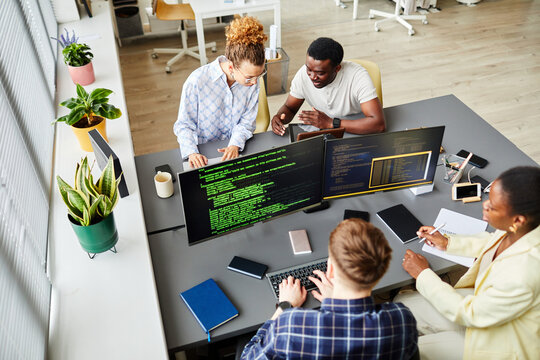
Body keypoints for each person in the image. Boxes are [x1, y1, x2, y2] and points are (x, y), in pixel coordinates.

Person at [398, 166, 540, 359]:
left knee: (409, 348)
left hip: (498, 342)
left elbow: (469, 312)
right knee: (401, 305)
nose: (485, 205)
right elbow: (492, 240)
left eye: (493, 206)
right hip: (487, 307)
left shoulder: (524, 274)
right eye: (489, 198)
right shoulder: (526, 226)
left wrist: (423, 274)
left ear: (518, 220)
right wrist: (448, 242)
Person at [240, 219, 418, 359]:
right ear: (380, 273)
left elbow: (248, 357)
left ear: (330, 269)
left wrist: (284, 306)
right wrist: (335, 302)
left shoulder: (291, 326)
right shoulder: (402, 319)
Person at [173, 16, 267, 169]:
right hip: (203, 155)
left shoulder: (253, 83)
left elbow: (246, 122)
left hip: (234, 153)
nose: (255, 82)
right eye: (249, 77)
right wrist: (191, 152)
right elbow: (184, 125)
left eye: (260, 74)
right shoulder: (197, 81)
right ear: (231, 68)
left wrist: (235, 144)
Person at [271, 37, 385, 137]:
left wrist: (332, 123)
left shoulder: (357, 77)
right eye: (309, 69)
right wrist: (279, 117)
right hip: (325, 129)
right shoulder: (303, 75)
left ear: (337, 69)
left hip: (358, 127)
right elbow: (289, 108)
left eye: (320, 73)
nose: (312, 77)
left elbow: (378, 125)